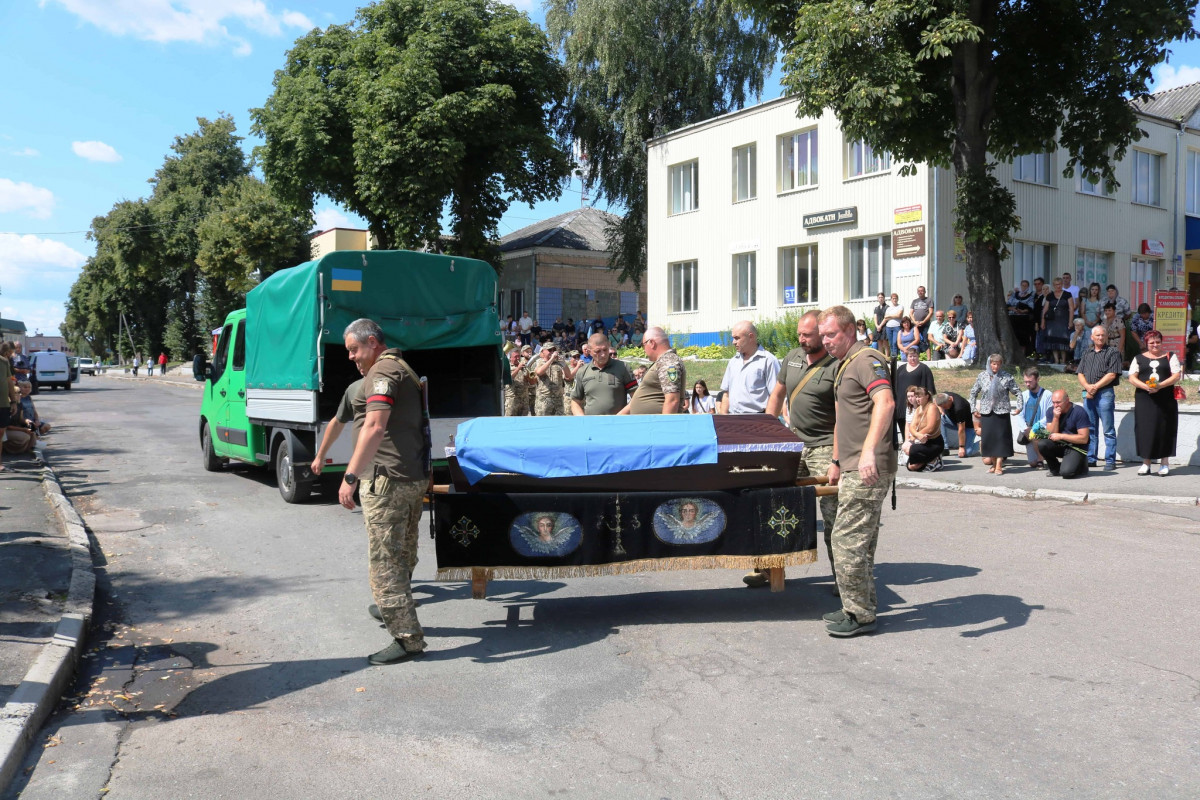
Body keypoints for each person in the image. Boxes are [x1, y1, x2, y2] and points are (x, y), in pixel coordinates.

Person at [339, 318, 429, 665]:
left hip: (388, 481)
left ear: (373, 342)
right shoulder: (399, 366)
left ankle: (407, 639)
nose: (351, 357)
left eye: (354, 349)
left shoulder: (383, 372)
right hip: (407, 477)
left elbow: (375, 426)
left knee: (385, 563)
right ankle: (392, 608)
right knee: (403, 551)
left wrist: (350, 477)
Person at [817, 306, 895, 637]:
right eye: (822, 335)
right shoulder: (845, 364)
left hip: (868, 466)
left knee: (847, 540)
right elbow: (843, 417)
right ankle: (858, 608)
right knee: (859, 542)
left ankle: (860, 615)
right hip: (850, 465)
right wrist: (836, 460)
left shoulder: (865, 359)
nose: (825, 341)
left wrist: (867, 451)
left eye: (831, 334)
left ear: (850, 331)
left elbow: (886, 402)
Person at [759, 310, 839, 588]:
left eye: (808, 335)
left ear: (823, 334)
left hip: (824, 447)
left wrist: (838, 459)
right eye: (799, 335)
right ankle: (768, 569)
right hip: (793, 444)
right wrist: (769, 433)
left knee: (833, 515)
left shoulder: (836, 364)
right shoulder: (792, 357)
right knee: (771, 502)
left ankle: (843, 579)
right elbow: (777, 394)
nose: (802, 340)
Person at [1128, 329, 1181, 476]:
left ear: (1162, 342)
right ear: (1146, 343)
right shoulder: (1138, 358)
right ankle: (1146, 463)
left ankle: (1164, 463)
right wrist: (1146, 386)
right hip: (1145, 399)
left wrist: (1160, 386)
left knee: (1165, 429)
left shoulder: (1170, 356)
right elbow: (1132, 377)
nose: (1155, 345)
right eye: (1152, 342)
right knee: (1145, 430)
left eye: (1158, 342)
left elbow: (1176, 375)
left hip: (1165, 399)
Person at [1077, 324, 1122, 470]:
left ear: (1106, 336)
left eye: (1103, 335)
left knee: (1108, 429)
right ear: (1092, 337)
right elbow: (1080, 373)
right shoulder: (1087, 353)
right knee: (1090, 428)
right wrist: (1088, 387)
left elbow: (1112, 374)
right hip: (1088, 394)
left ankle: (1110, 461)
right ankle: (1091, 458)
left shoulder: (1113, 352)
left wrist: (1094, 387)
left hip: (1105, 393)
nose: (1100, 337)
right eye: (1097, 335)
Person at [968, 354, 1021, 475]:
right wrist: (973, 408)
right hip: (986, 412)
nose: (995, 367)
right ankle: (993, 463)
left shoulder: (1006, 377)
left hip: (1002, 412)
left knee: (1001, 439)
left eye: (998, 364)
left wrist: (1019, 407)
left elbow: (1017, 392)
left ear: (1001, 364)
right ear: (989, 363)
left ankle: (999, 465)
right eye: (993, 364)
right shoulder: (982, 376)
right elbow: (973, 393)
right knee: (989, 439)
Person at [718, 321, 780, 414]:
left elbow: (776, 396)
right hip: (733, 419)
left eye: (737, 338)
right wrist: (723, 418)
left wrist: (768, 423)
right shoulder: (733, 361)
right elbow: (726, 394)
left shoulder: (768, 360)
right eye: (733, 338)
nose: (733, 342)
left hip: (757, 420)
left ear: (751, 337)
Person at [621, 327, 685, 414]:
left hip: (657, 425)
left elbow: (672, 400)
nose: (643, 350)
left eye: (643, 345)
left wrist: (664, 426)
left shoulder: (668, 361)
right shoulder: (661, 362)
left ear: (651, 343)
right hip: (648, 424)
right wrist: (615, 419)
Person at [570, 333, 636, 415]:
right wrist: (583, 421)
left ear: (609, 345)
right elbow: (575, 402)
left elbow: (636, 397)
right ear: (589, 352)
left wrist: (619, 417)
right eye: (597, 351)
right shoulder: (582, 371)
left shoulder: (623, 368)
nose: (603, 354)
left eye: (605, 349)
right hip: (592, 425)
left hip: (618, 424)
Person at [1034, 390, 1091, 478]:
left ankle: (1081, 464)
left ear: (1067, 400)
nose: (1055, 405)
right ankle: (1055, 469)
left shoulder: (1079, 411)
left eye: (1058, 402)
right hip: (1060, 445)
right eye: (1053, 402)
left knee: (1067, 473)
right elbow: (1050, 434)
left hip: (1075, 446)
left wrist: (1061, 436)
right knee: (1042, 444)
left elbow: (1084, 439)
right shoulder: (1051, 411)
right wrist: (1056, 418)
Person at [892, 347, 936, 443]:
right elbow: (894, 384)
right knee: (903, 422)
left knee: (917, 424)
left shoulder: (924, 369)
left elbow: (929, 388)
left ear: (918, 357)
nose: (912, 358)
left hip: (917, 404)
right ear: (906, 357)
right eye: (910, 356)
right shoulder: (901, 369)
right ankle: (906, 442)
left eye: (915, 356)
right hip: (901, 403)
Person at [901, 386, 943, 471]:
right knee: (911, 467)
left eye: (919, 397)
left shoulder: (932, 407)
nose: (917, 399)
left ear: (927, 396)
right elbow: (912, 427)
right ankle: (930, 460)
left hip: (933, 442)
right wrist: (917, 435)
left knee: (910, 449)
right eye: (916, 397)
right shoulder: (918, 409)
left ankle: (935, 459)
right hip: (921, 440)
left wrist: (917, 436)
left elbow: (930, 427)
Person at [1018, 367, 1053, 468]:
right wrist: (1025, 428)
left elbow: (1049, 415)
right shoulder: (1023, 395)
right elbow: (1019, 414)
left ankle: (1041, 458)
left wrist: (1036, 426)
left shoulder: (1047, 395)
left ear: (1037, 380)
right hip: (1027, 429)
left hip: (1041, 429)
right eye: (1026, 382)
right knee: (1032, 463)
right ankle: (1039, 457)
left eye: (1030, 381)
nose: (1028, 384)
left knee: (1035, 434)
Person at [1041, 277, 1074, 364]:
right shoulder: (1050, 295)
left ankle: (1063, 360)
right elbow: (1045, 309)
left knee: (1063, 340)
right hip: (1052, 321)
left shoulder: (1067, 294)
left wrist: (1071, 321)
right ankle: (1056, 360)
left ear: (1062, 284)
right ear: (1053, 285)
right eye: (1056, 284)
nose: (1058, 286)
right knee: (1053, 340)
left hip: (1063, 320)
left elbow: (1071, 308)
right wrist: (1043, 321)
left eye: (1059, 284)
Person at [934, 392, 978, 458]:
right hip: (953, 421)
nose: (945, 408)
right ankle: (944, 447)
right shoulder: (944, 396)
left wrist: (961, 447)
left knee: (968, 452)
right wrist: (941, 410)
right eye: (943, 407)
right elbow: (935, 400)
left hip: (967, 427)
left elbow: (961, 430)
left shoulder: (959, 407)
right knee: (939, 418)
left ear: (950, 399)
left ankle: (979, 441)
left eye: (945, 406)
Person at [532, 342, 567, 417]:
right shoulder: (538, 362)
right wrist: (551, 359)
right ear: (543, 351)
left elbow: (568, 376)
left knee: (559, 424)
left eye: (553, 350)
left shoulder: (559, 362)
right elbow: (539, 372)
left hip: (558, 400)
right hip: (544, 400)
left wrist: (564, 364)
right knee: (543, 424)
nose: (552, 352)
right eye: (549, 350)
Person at [0, 343, 14, 472]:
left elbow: (10, 382)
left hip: (3, 403)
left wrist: (14, 401)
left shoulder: (4, 362)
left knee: (0, 433)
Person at [502, 349, 529, 417]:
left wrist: (528, 374)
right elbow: (509, 378)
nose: (517, 358)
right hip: (512, 400)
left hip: (524, 400)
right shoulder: (506, 367)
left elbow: (532, 382)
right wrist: (518, 368)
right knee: (510, 423)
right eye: (515, 356)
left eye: (518, 356)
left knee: (523, 423)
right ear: (510, 357)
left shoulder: (524, 367)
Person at [908, 286, 933, 351]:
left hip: (925, 324)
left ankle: (928, 358)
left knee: (926, 340)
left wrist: (923, 321)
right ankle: (916, 356)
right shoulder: (914, 301)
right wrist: (914, 322)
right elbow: (911, 313)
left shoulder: (929, 300)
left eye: (922, 291)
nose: (920, 292)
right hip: (916, 324)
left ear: (925, 292)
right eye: (919, 291)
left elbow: (930, 313)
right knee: (916, 340)